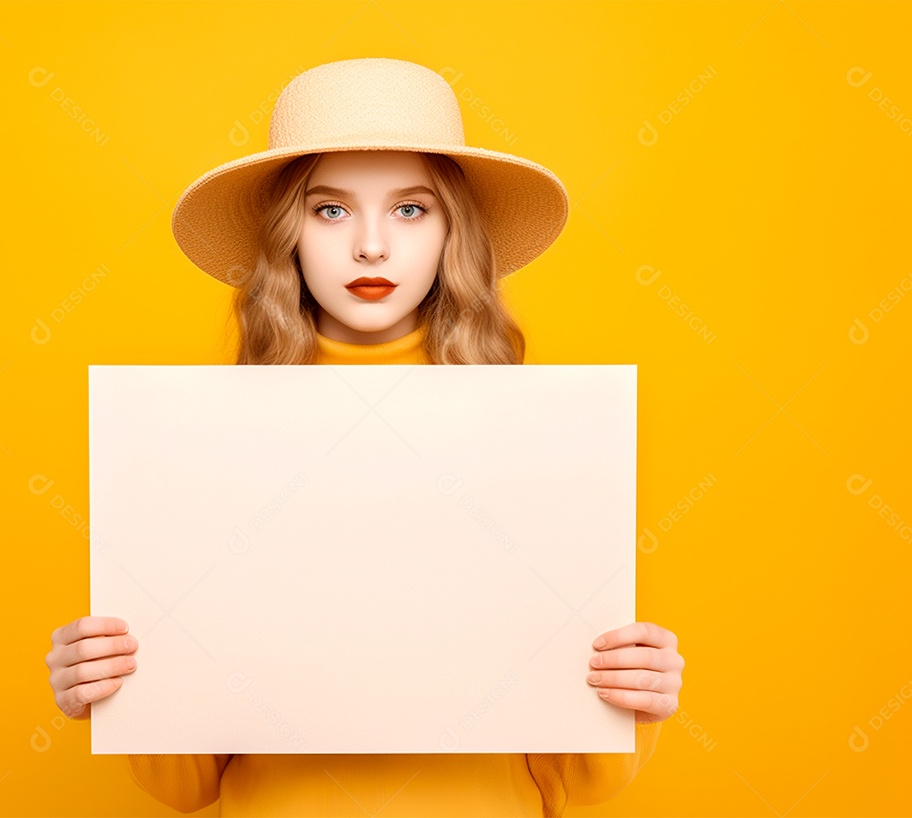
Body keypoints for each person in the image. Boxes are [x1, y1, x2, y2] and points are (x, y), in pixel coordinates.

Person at [45, 58, 685, 817]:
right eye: (331, 210)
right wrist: (120, 683)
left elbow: (576, 783)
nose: (372, 247)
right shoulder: (199, 443)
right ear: (290, 233)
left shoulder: (542, 435)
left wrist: (630, 694)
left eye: (411, 210)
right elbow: (187, 786)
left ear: (454, 232)